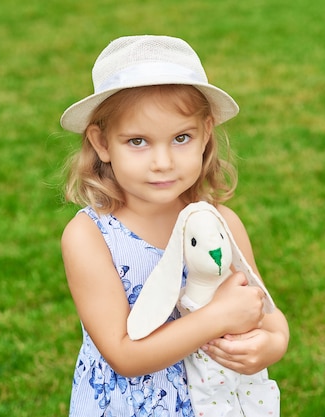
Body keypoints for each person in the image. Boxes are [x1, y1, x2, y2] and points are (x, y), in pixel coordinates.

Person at [59, 35, 289, 417]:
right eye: (138, 141)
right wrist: (215, 318)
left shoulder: (219, 223)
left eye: (181, 137)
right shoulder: (90, 237)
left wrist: (273, 342)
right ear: (101, 144)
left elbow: (266, 311)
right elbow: (124, 355)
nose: (162, 162)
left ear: (205, 134)